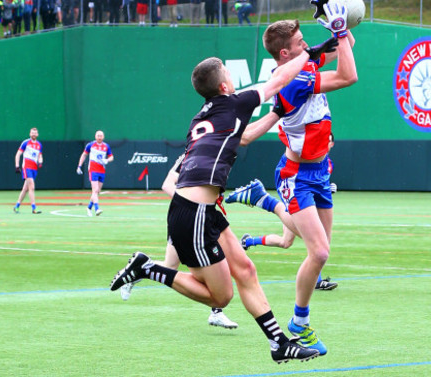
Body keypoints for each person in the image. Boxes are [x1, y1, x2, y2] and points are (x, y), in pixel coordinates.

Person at [109, 34, 339, 363]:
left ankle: (279, 344)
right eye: (229, 76)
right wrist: (309, 56)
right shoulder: (233, 104)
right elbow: (278, 81)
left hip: (204, 210)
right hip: (195, 214)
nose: (233, 81)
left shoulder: (202, 118)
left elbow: (244, 134)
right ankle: (148, 269)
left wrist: (276, 113)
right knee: (222, 295)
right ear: (223, 87)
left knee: (245, 269)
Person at [224, 0, 357, 356]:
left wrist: (332, 23)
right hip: (296, 174)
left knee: (297, 242)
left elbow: (346, 47)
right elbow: (349, 74)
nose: (307, 46)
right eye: (300, 44)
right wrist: (339, 31)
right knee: (319, 251)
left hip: (318, 169)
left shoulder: (303, 64)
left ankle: (261, 199)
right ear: (286, 54)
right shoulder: (296, 82)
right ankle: (299, 322)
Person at [120, 153, 239, 329]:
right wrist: (190, 205)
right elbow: (167, 184)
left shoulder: (217, 150)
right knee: (173, 268)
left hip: (206, 216)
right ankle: (138, 272)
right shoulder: (191, 155)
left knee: (217, 263)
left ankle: (216, 312)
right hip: (190, 217)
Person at [234, 135, 339, 291]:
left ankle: (248, 241)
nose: (325, 141)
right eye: (325, 138)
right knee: (316, 240)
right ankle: (267, 201)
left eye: (328, 139)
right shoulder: (302, 156)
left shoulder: (328, 164)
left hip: (309, 203)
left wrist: (329, 187)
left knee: (286, 242)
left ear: (332, 144)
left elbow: (318, 184)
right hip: (297, 198)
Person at [76, 130, 113, 217]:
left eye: (101, 136)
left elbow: (111, 156)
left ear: (103, 137)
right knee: (95, 190)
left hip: (102, 170)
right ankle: (97, 209)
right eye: (98, 135)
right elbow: (84, 155)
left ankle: (89, 207)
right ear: (95, 136)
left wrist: (107, 160)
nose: (99, 137)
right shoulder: (90, 145)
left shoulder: (106, 146)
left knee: (97, 191)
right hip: (93, 169)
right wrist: (79, 166)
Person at [14, 127, 43, 214]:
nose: (34, 134)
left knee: (25, 189)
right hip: (27, 167)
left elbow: (40, 155)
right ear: (30, 134)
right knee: (32, 187)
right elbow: (18, 154)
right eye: (32, 133)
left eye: (35, 133)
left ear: (37, 134)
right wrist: (17, 166)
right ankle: (34, 208)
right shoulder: (26, 143)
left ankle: (17, 206)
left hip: (34, 168)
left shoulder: (39, 145)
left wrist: (40, 162)